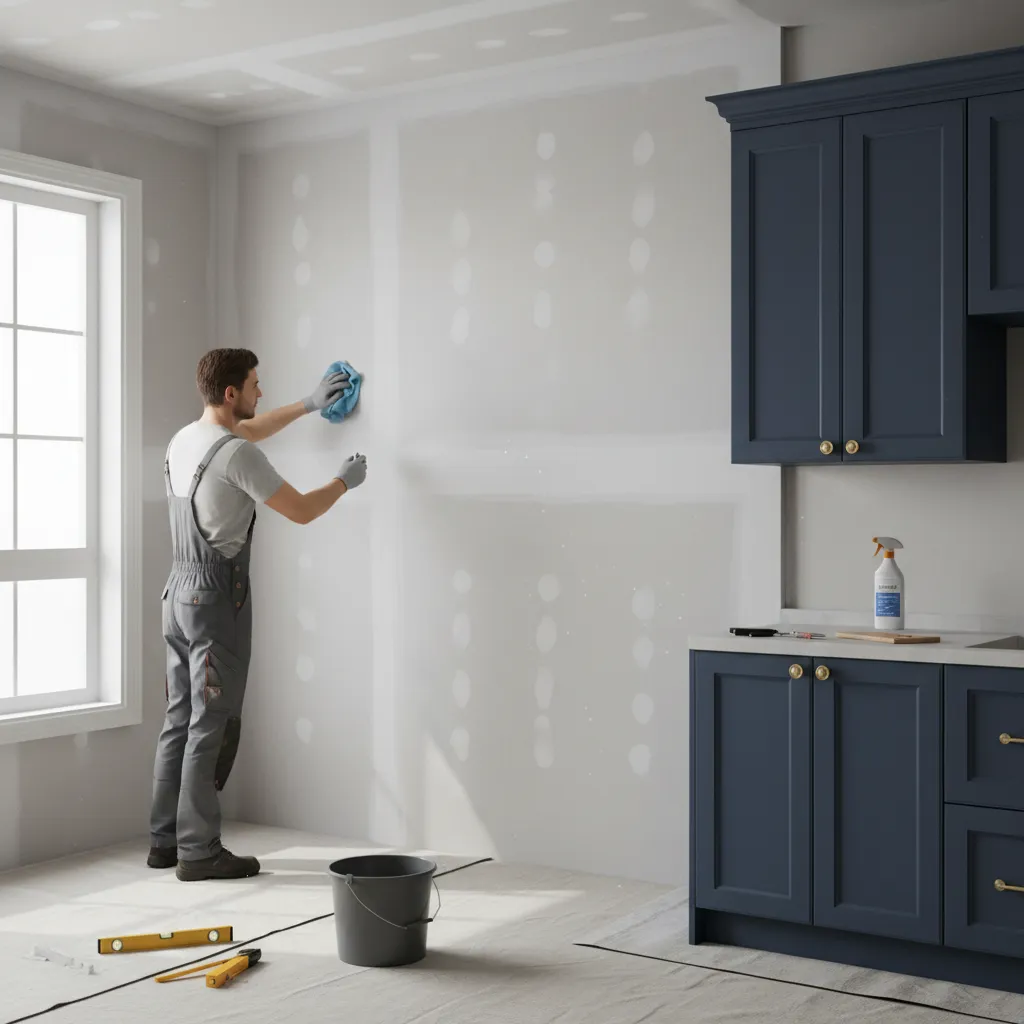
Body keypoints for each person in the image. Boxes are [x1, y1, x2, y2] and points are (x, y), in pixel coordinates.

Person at [147, 348, 367, 881]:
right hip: (217, 598)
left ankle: (166, 842)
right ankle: (200, 853)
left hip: (176, 593)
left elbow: (250, 432)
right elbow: (302, 510)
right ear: (231, 394)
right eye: (253, 385)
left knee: (179, 718)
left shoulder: (185, 440)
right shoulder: (235, 455)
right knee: (211, 724)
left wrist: (311, 404)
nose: (259, 393)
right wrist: (344, 481)